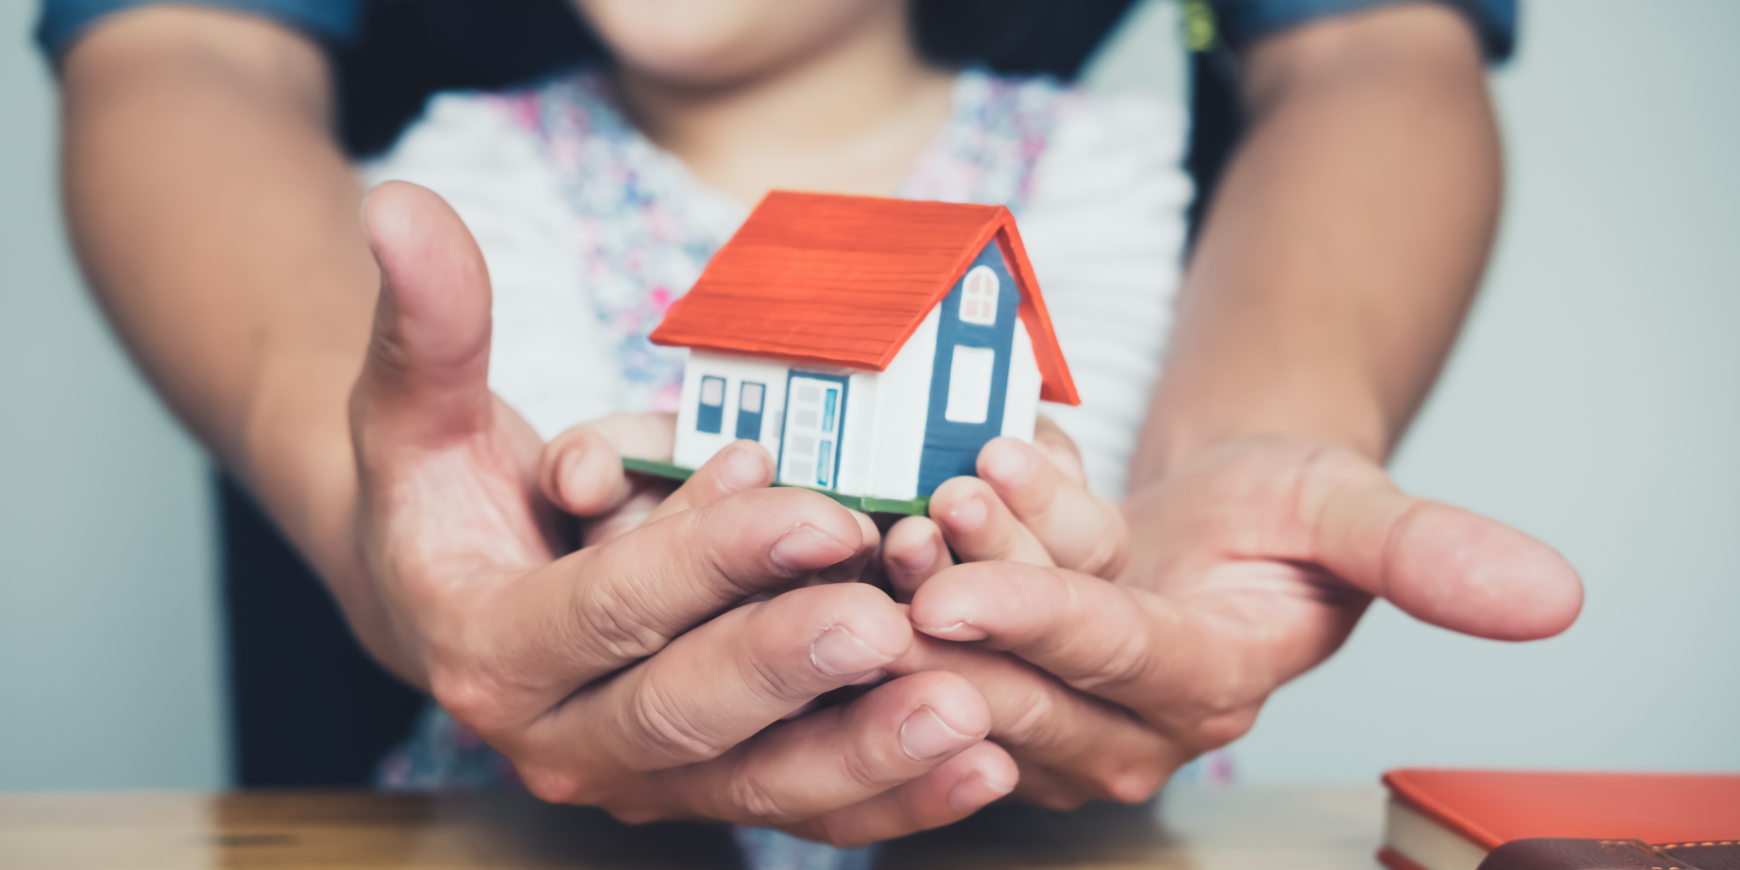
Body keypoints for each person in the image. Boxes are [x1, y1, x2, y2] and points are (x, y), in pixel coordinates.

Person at [41, 0, 1582, 860]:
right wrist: (605, 526)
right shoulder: (472, 152)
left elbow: (1070, 464)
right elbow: (555, 468)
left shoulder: (1099, 166)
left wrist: (1070, 539)